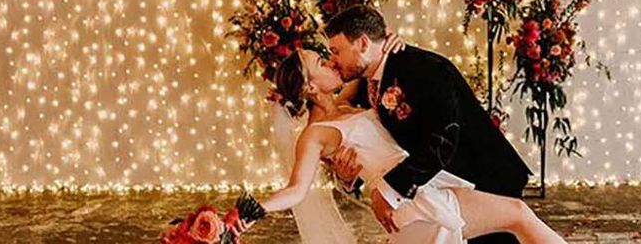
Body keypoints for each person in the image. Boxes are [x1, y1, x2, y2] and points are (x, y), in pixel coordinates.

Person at [236, 44, 567, 244]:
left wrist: (392, 42)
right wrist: (252, 211)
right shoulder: (315, 134)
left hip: (416, 191)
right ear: (309, 87)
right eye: (320, 63)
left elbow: (370, 61)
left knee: (517, 217)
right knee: (518, 214)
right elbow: (297, 189)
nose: (330, 61)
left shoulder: (348, 101)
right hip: (413, 198)